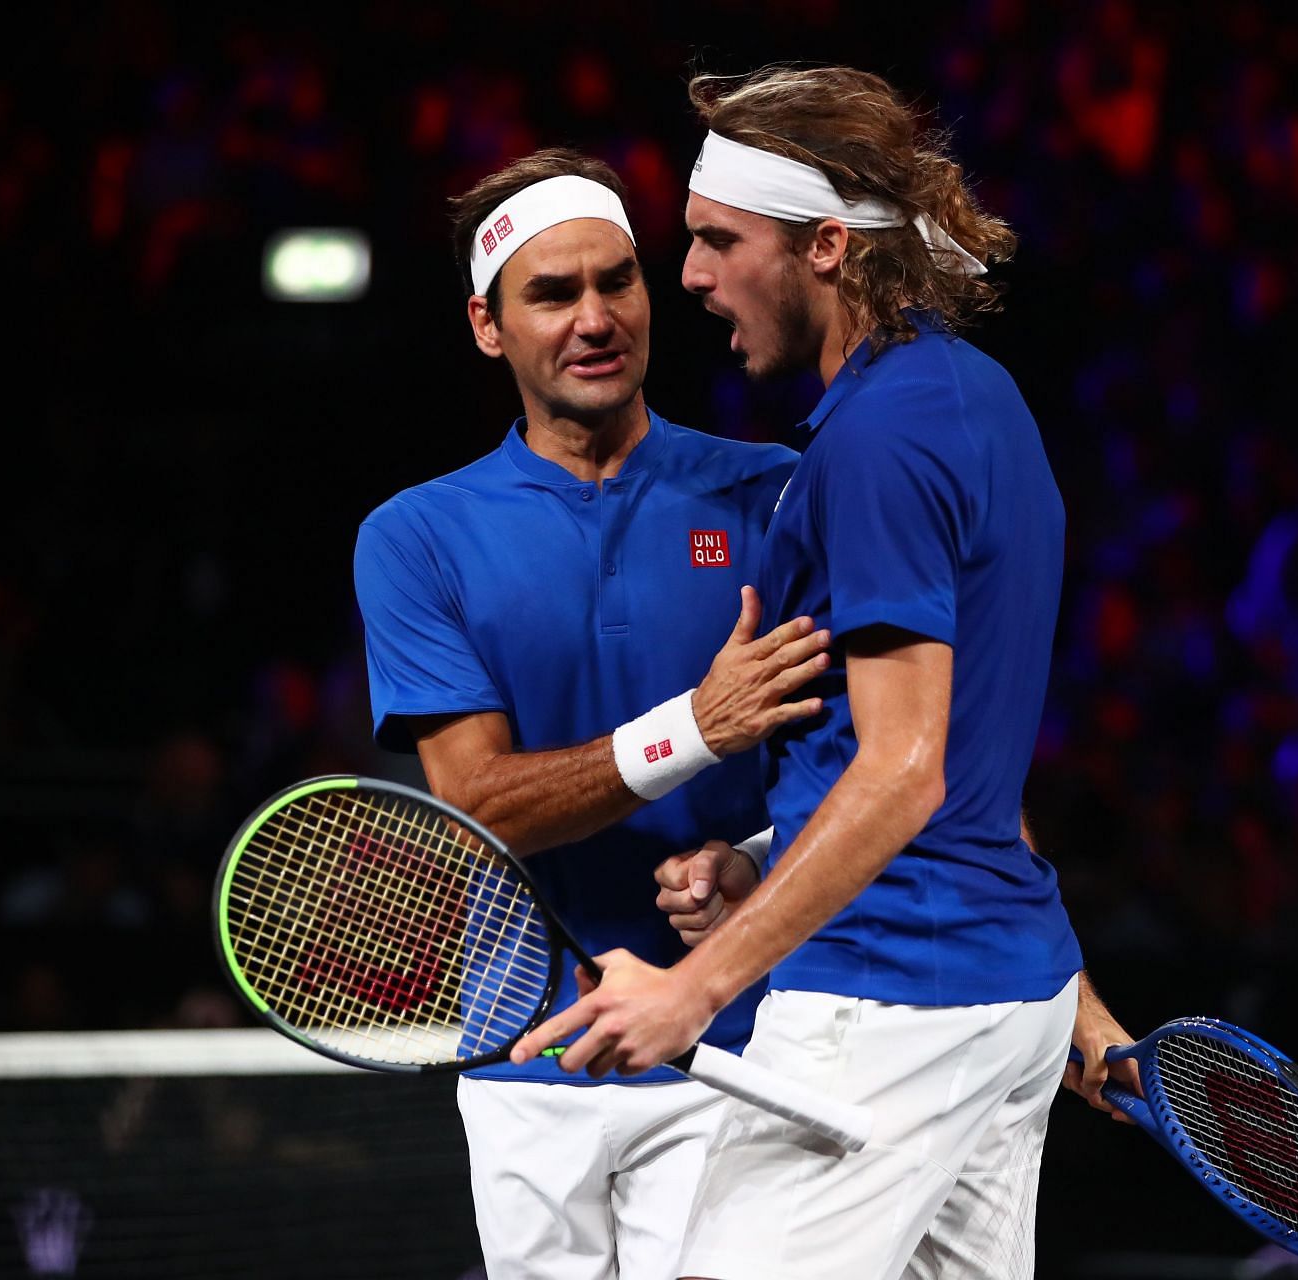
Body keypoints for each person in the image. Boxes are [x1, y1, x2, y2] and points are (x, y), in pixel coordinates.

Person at [516, 68, 1143, 1279]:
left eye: (715, 241)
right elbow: (968, 768)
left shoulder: (876, 443)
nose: (689, 276)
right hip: (1000, 999)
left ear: (825, 246)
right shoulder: (981, 400)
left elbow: (906, 772)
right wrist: (1068, 991)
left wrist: (696, 988)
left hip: (885, 1007)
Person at [353, 148, 828, 1280]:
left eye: (617, 280)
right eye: (553, 293)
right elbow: (479, 803)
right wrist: (696, 729)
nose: (596, 316)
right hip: (526, 1054)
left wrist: (754, 856)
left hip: (737, 1038)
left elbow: (862, 762)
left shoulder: (772, 492)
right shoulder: (416, 537)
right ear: (488, 325)